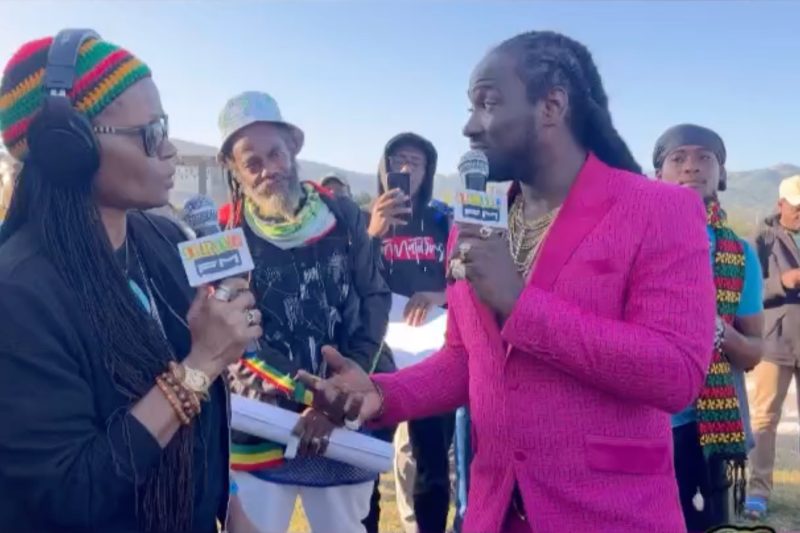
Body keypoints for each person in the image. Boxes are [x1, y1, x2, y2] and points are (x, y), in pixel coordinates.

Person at [299, 30, 717, 533]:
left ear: (551, 106)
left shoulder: (660, 209)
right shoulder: (474, 222)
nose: (470, 125)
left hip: (609, 513)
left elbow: (675, 373)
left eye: (488, 103)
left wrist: (521, 305)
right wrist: (381, 395)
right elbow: (465, 359)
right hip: (494, 512)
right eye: (471, 106)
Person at [0, 31, 262, 533]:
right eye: (149, 133)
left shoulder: (165, 240)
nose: (169, 150)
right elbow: (72, 492)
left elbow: (202, 425)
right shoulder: (18, 294)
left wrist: (228, 504)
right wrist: (199, 365)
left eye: (165, 126)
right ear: (69, 148)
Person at [217, 91, 391, 533]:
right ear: (235, 171)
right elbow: (236, 337)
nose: (268, 169)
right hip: (260, 424)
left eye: (275, 153)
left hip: (342, 418)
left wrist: (341, 391)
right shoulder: (227, 235)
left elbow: (374, 298)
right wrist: (311, 396)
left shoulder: (344, 217)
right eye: (252, 162)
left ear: (293, 149)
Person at [654, 124, 764, 531]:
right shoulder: (629, 237)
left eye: (705, 158)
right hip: (637, 422)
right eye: (678, 158)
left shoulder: (740, 253)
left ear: (721, 174)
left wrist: (715, 328)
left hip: (706, 431)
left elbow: (753, 351)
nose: (691, 167)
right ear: (658, 174)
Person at [368, 132, 454, 533]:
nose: (405, 169)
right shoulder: (363, 220)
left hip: (433, 352)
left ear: (428, 171)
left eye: (415, 163)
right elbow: (347, 278)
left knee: (431, 461)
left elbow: (470, 276)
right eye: (397, 160)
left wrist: (440, 294)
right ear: (383, 168)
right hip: (377, 352)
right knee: (367, 456)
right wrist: (373, 232)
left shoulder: (442, 221)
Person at [747, 173, 800, 520]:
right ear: (780, 204)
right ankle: (758, 492)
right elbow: (749, 289)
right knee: (765, 418)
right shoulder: (761, 239)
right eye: (797, 208)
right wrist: (783, 281)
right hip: (775, 342)